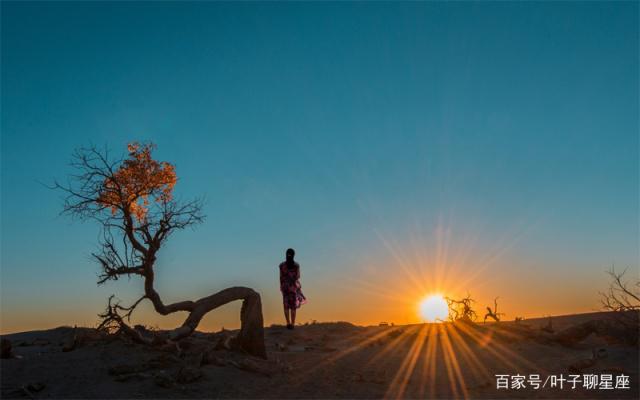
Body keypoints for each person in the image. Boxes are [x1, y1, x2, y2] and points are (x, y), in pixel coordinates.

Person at [279, 248, 306, 329]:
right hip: (293, 287)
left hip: (285, 287)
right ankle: (293, 324)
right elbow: (298, 276)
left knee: (286, 306)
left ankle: (288, 323)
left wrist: (281, 286)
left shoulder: (282, 265)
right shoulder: (296, 265)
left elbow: (280, 277)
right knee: (293, 306)